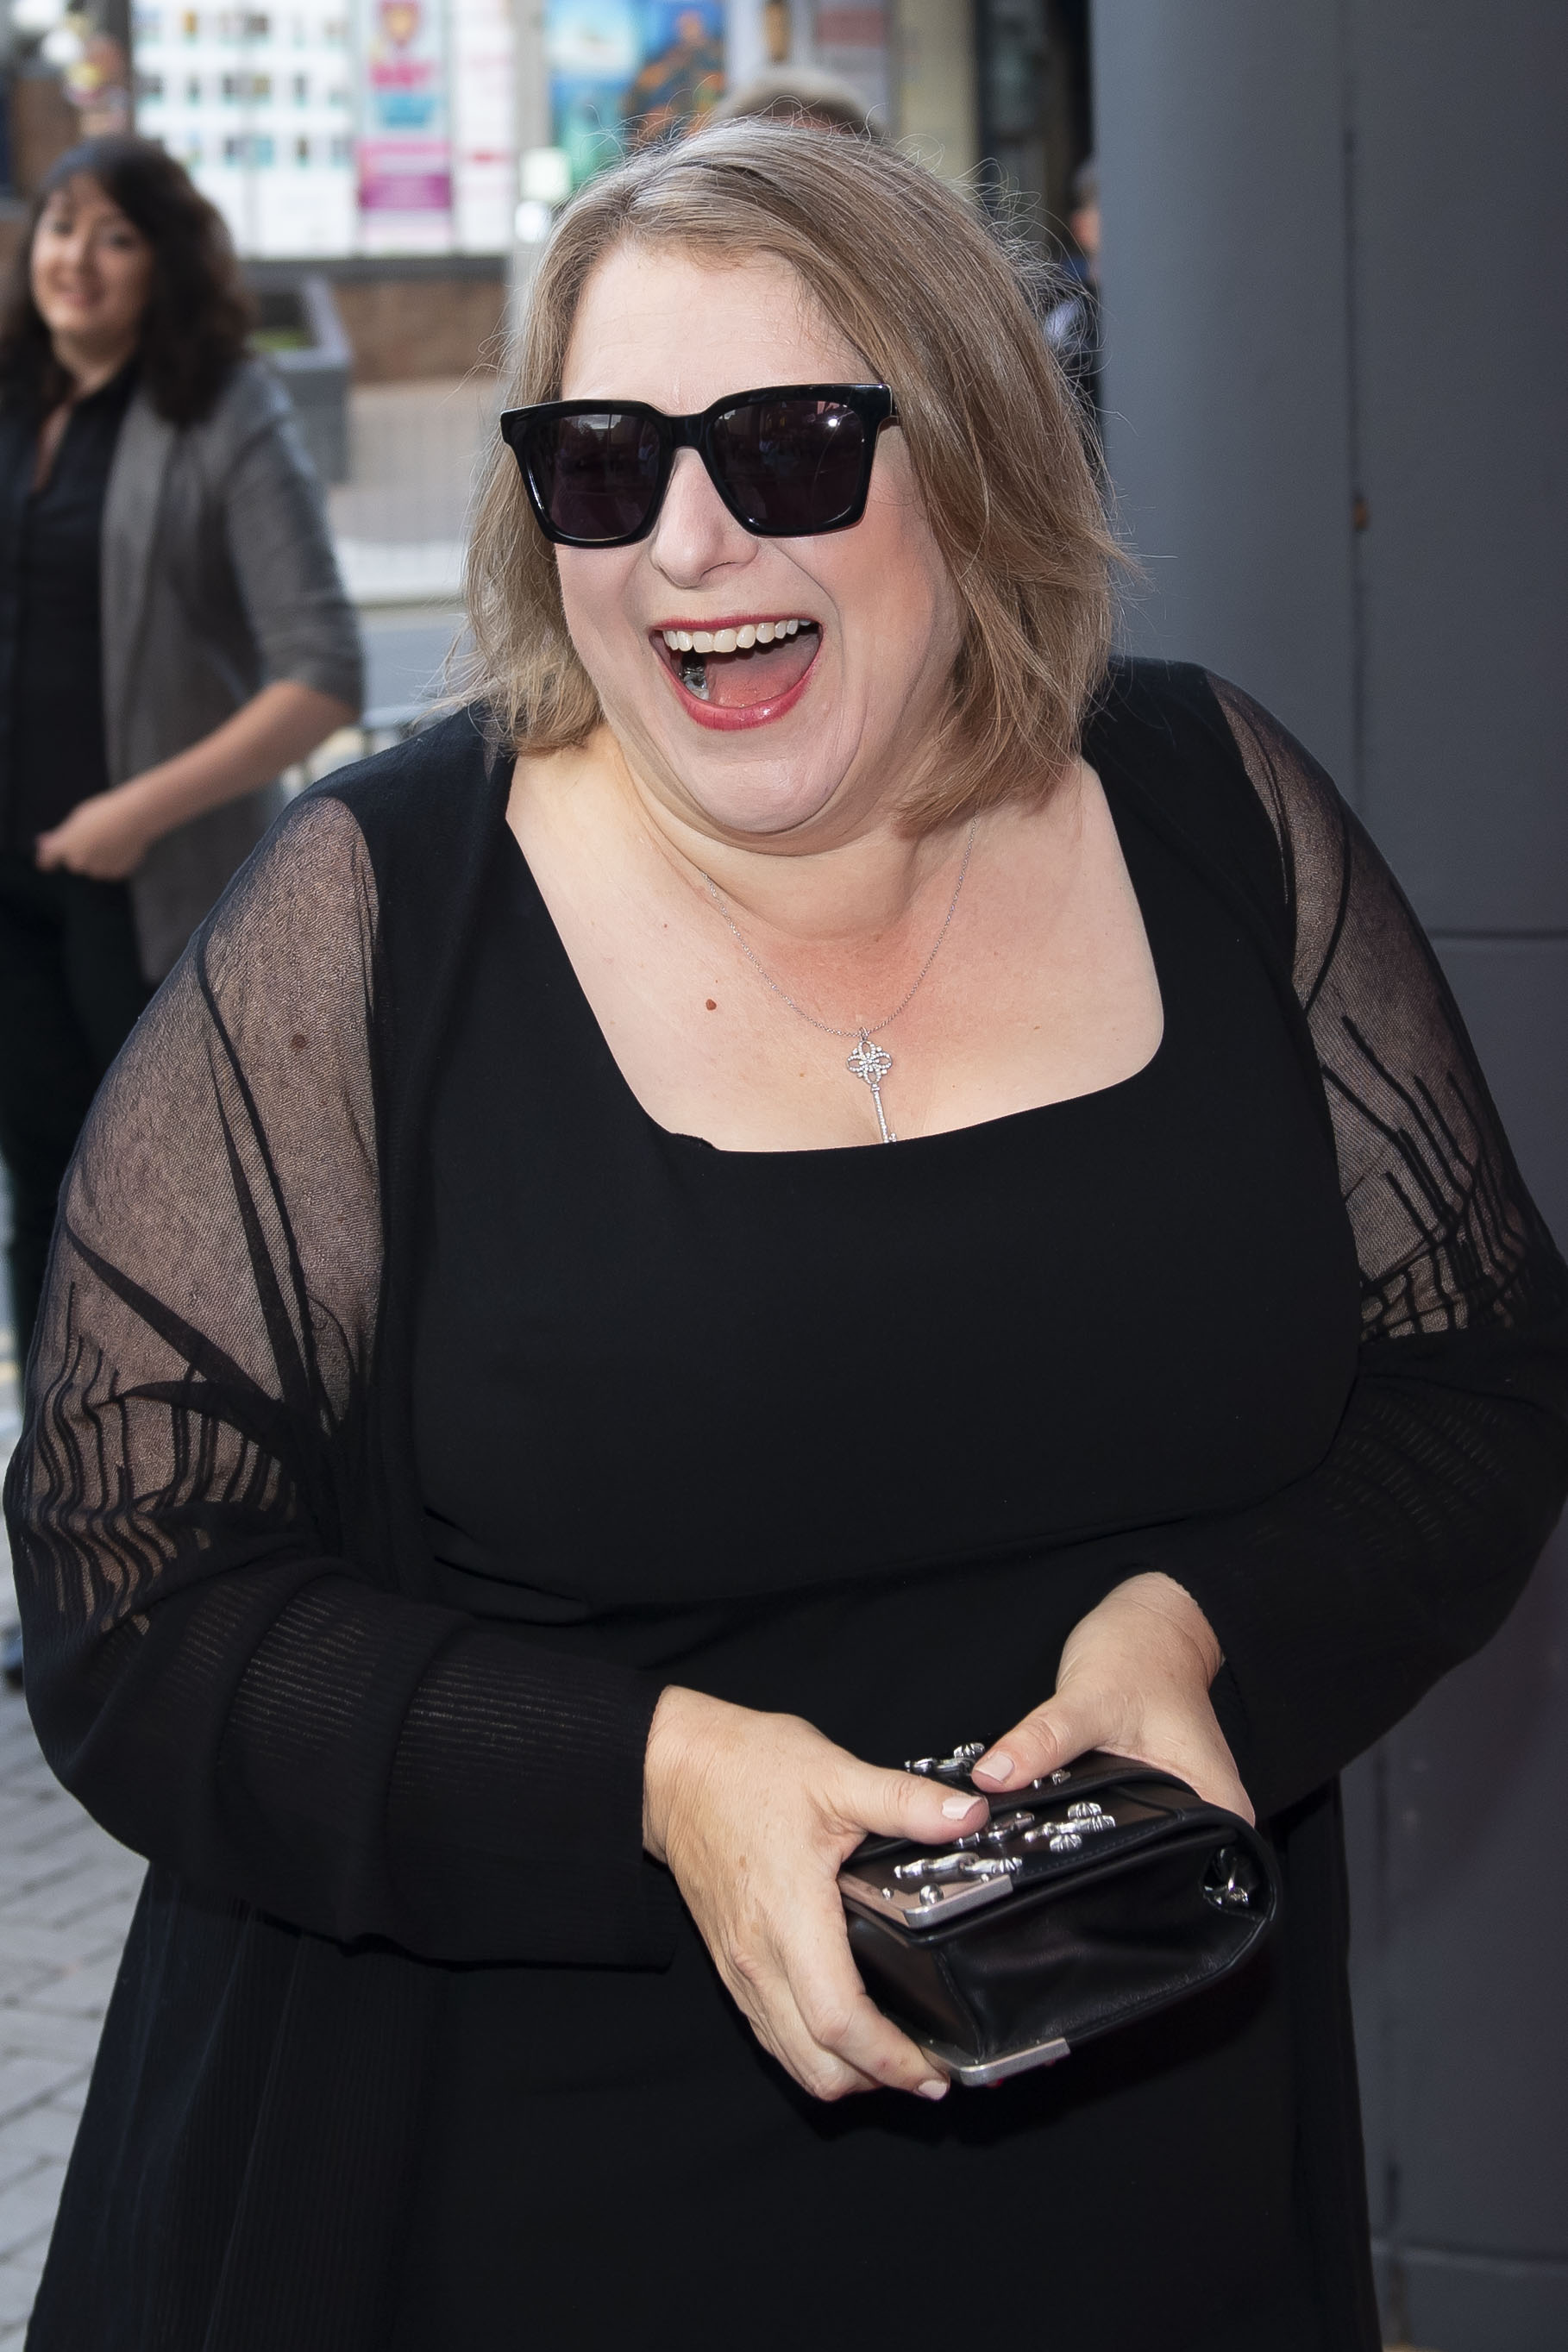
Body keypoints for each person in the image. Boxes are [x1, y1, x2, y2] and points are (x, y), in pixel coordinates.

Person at [6, 125, 1566, 2350]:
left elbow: (1478, 1372)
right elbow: (120, 1587)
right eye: (605, 462)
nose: (692, 541)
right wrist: (650, 1768)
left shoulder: (1218, 816)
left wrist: (1197, 1625)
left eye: (794, 445)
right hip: (496, 2214)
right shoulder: (372, 925)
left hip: (1152, 2184)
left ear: (979, 452)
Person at [0, 135, 361, 1393]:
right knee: (38, 1197)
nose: (77, 261)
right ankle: (61, 1480)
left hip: (145, 886)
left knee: (163, 1213)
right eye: (61, 227)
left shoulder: (221, 409)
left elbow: (322, 670)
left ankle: (197, 1502)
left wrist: (132, 810)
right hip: (14, 889)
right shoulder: (12, 396)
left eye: (116, 235)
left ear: (164, 262)